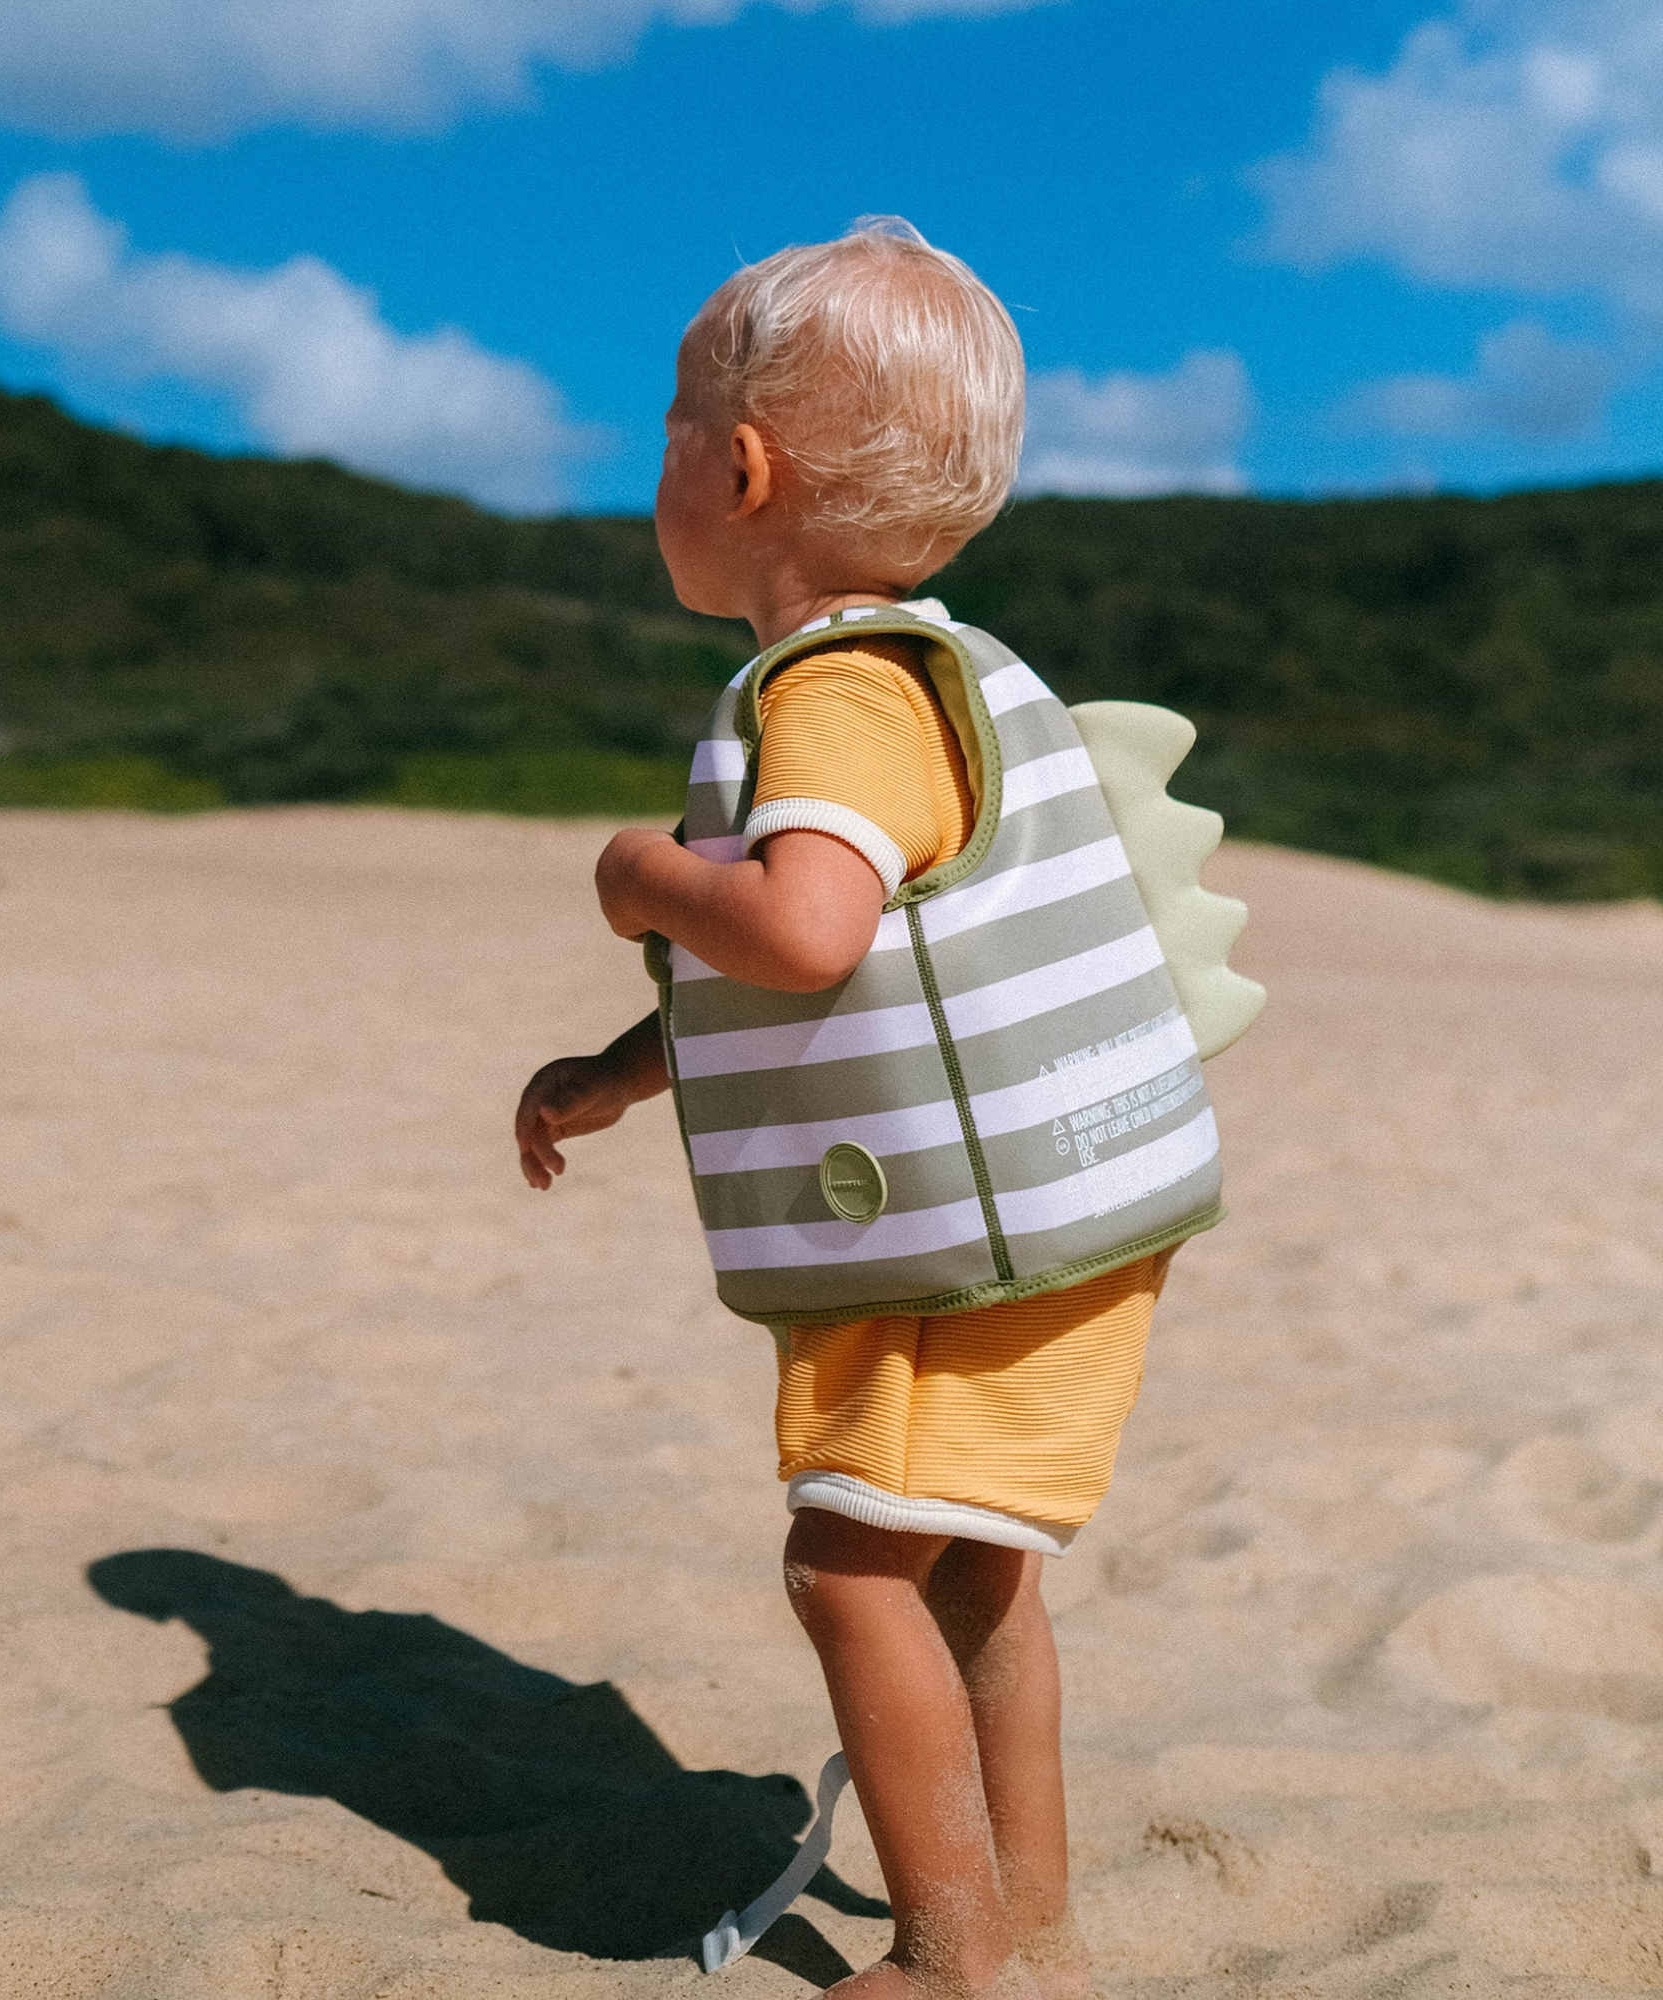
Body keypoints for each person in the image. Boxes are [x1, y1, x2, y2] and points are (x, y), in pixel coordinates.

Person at [514, 220, 1213, 2000]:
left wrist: (639, 873)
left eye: (672, 420)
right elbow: (878, 984)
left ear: (738, 466)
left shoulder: (837, 692)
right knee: (975, 1570)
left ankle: (948, 1951)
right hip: (1057, 1208)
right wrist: (624, 1066)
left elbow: (805, 934)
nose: (658, 456)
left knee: (846, 1569)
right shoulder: (941, 678)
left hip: (959, 1248)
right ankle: (1030, 1904)